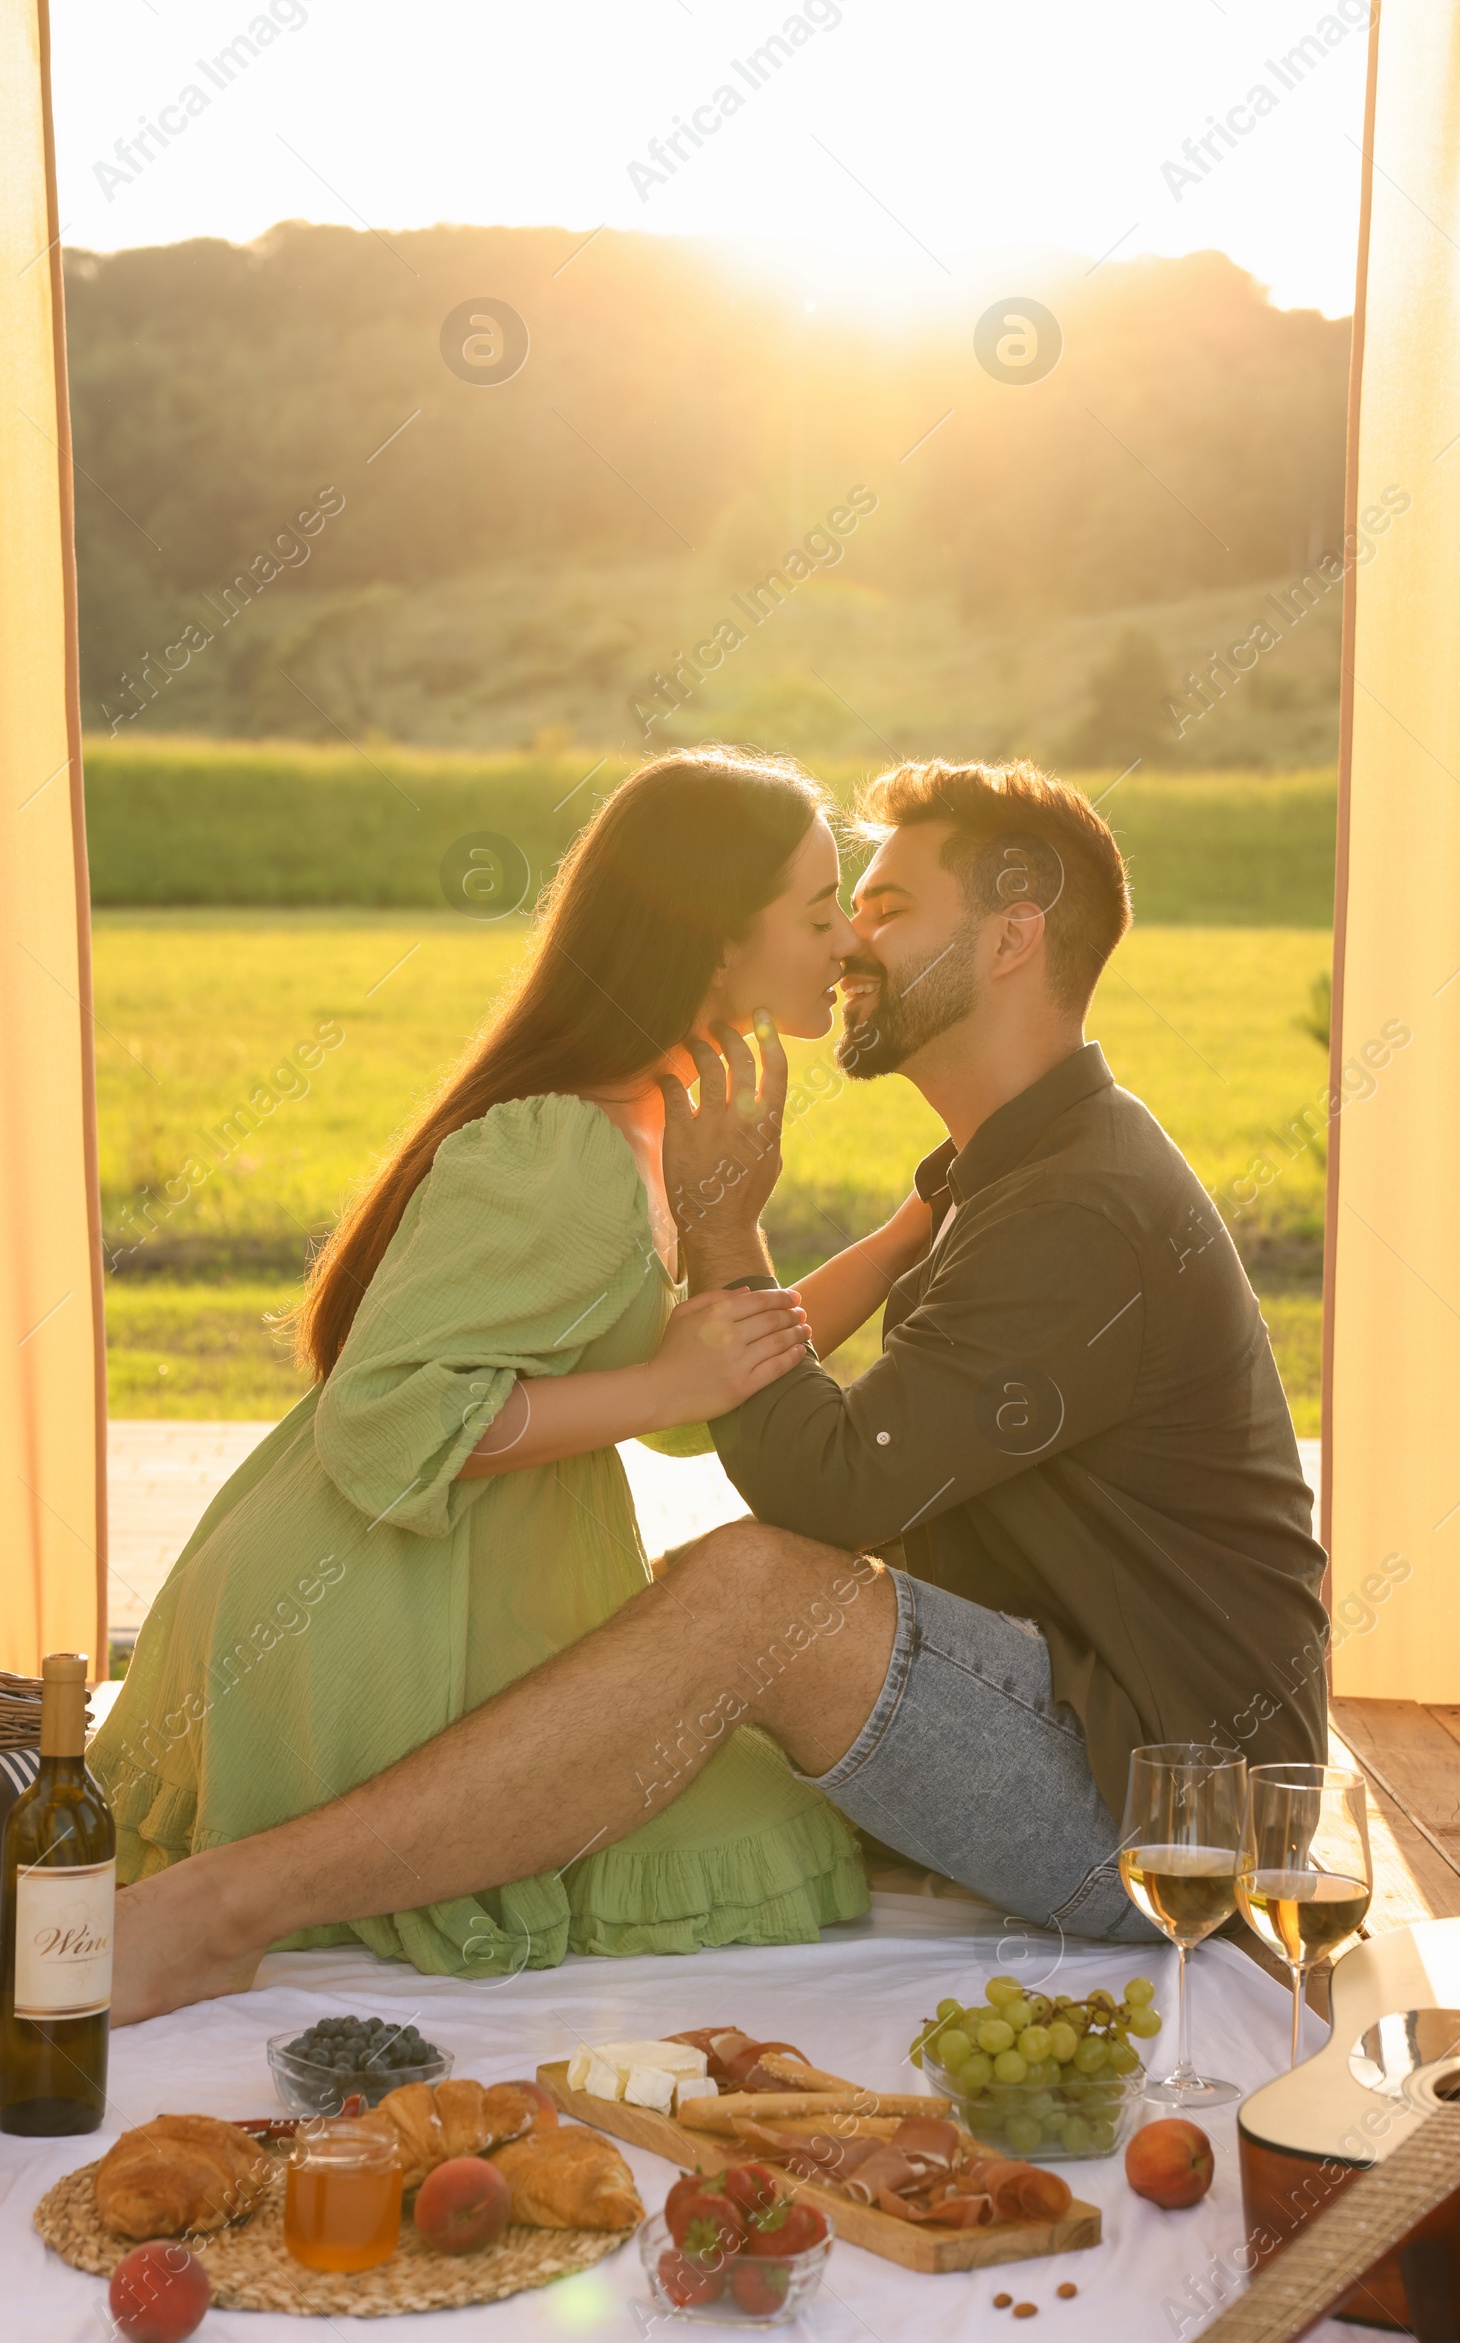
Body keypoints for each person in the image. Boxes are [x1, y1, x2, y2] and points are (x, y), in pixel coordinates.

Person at [0, 755, 1328, 2024]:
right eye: (836, 909)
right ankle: (155, 1859)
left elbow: (828, 1482)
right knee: (690, 1632)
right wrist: (861, 1238)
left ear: (1015, 936)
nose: (851, 940)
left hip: (1169, 1803)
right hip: (1092, 1717)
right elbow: (729, 1398)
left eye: (891, 905)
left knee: (744, 1590)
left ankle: (228, 1902)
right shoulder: (1023, 1170)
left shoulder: (1078, 1201)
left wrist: (730, 1226)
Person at [71, 749, 912, 1979]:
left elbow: (706, 1379)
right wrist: (666, 1385)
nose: (845, 945)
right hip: (377, 1615)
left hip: (480, 1586)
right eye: (818, 911)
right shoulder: (561, 1147)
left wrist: (903, 1235)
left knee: (775, 1814)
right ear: (714, 946)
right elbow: (386, 1419)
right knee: (766, 1832)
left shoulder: (659, 1117)